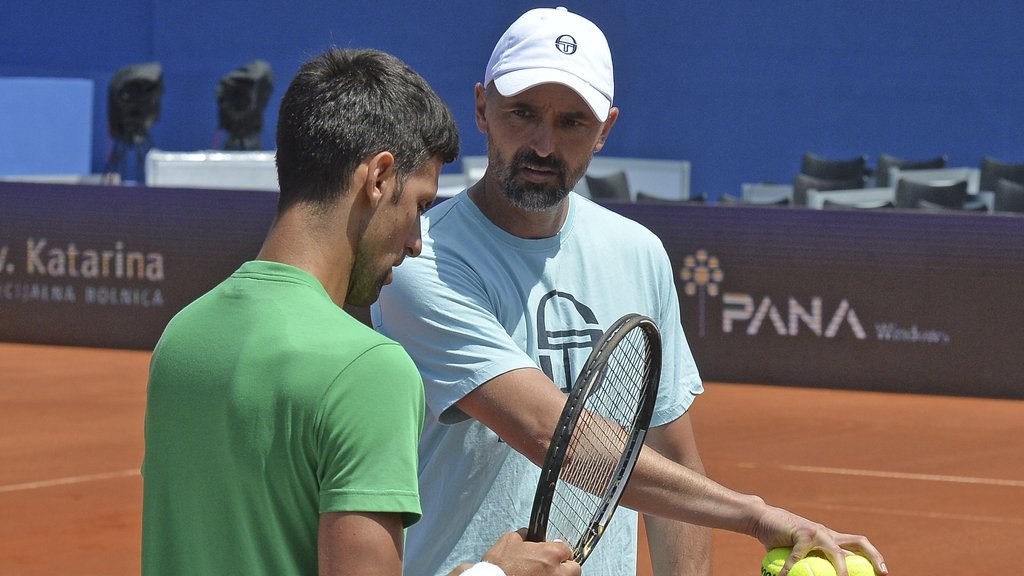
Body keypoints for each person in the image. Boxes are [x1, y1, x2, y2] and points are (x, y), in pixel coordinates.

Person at [372, 8, 888, 576]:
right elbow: (551, 434)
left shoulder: (638, 252)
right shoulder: (421, 261)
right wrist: (754, 515)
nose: (544, 144)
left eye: (572, 122)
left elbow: (671, 458)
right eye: (522, 113)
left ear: (605, 130)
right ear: (481, 108)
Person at [141, 48, 580, 576]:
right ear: (378, 179)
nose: (418, 240)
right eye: (419, 205)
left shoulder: (182, 337)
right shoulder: (369, 369)